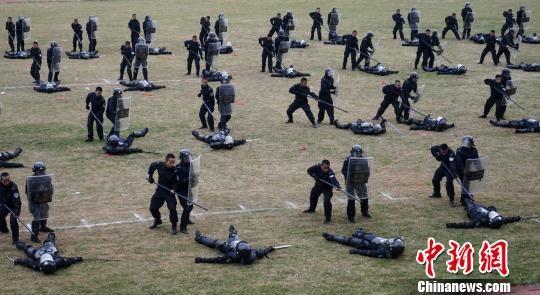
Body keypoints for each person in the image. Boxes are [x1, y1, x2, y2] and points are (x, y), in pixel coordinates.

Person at [194, 225, 275, 264]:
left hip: (228, 248)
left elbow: (217, 259)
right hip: (234, 244)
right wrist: (270, 248)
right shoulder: (253, 253)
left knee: (215, 243)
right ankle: (232, 233)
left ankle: (199, 238)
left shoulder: (232, 257)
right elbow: (262, 252)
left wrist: (202, 260)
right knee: (234, 238)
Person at [12, 233, 83, 274]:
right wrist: (78, 259)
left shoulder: (37, 265)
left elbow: (27, 262)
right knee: (49, 242)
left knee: (27, 248)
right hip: (47, 250)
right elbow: (69, 260)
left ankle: (18, 243)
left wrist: (19, 261)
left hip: (38, 252)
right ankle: (51, 235)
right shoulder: (59, 261)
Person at [147, 154, 178, 234]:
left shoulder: (174, 170)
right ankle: (158, 220)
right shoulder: (159, 165)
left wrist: (173, 189)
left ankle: (174, 226)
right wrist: (150, 176)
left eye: (173, 163)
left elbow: (175, 182)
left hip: (169, 193)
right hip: (160, 191)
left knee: (172, 209)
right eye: (170, 162)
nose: (172, 164)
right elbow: (152, 166)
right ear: (166, 161)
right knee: (153, 208)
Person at [322, 228, 405, 258]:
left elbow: (368, 253)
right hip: (370, 236)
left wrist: (357, 251)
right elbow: (398, 240)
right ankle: (360, 233)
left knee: (348, 240)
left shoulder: (382, 252)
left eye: (390, 242)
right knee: (359, 233)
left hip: (365, 243)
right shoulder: (393, 247)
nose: (389, 240)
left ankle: (332, 237)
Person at [446, 197, 521, 229]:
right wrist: (517, 218)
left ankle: (467, 200)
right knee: (492, 208)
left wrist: (451, 225)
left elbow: (467, 225)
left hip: (472, 209)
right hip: (484, 208)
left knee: (467, 201)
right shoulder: (498, 219)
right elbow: (508, 220)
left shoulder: (480, 220)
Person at [26, 162, 54, 243]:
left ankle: (43, 227)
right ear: (34, 171)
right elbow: (28, 191)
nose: (40, 173)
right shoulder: (30, 179)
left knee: (44, 214)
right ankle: (34, 236)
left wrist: (45, 195)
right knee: (37, 218)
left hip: (44, 200)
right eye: (38, 171)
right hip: (34, 202)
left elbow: (50, 189)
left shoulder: (47, 178)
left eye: (41, 171)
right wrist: (37, 195)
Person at [342, 145, 371, 222]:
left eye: (358, 153)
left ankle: (365, 212)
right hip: (350, 181)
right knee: (351, 198)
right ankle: (351, 216)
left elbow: (366, 170)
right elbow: (344, 170)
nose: (357, 155)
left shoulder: (364, 160)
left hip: (360, 181)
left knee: (364, 196)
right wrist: (349, 176)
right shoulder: (348, 159)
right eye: (356, 153)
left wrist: (364, 177)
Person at [174, 149, 197, 234]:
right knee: (187, 207)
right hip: (181, 190)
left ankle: (186, 219)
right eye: (186, 158)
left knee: (190, 206)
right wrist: (187, 179)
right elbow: (179, 181)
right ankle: (183, 227)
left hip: (189, 189)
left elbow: (193, 175)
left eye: (188, 157)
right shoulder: (178, 168)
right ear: (182, 158)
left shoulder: (191, 165)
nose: (188, 159)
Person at [454, 136, 479, 206]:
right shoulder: (459, 150)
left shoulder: (474, 150)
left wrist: (479, 170)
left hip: (471, 170)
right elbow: (459, 162)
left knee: (469, 184)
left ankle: (469, 196)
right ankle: (463, 198)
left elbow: (476, 161)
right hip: (462, 170)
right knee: (465, 183)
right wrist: (463, 170)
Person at [0, 172, 21, 244]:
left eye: (8, 180)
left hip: (13, 205)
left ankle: (15, 240)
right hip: (4, 204)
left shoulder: (14, 187)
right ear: (1, 180)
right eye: (4, 181)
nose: (7, 182)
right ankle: (4, 229)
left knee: (13, 220)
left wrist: (16, 213)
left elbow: (17, 201)